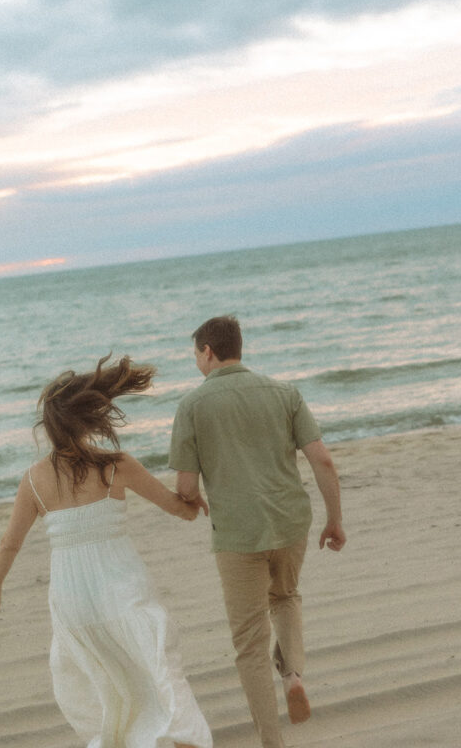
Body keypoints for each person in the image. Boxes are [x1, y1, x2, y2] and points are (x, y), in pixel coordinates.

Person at [0, 353, 213, 748]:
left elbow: (9, 543)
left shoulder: (34, 480)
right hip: (120, 584)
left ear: (50, 428)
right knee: (154, 659)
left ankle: (130, 739)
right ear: (87, 419)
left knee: (101, 676)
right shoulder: (115, 465)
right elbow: (175, 507)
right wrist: (193, 503)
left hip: (72, 598)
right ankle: (178, 734)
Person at [169, 315, 346, 748]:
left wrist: (192, 501)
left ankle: (272, 741)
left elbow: (186, 487)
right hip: (290, 522)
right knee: (284, 597)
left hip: (237, 536)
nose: (196, 361)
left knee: (249, 642)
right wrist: (334, 519)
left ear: (207, 351)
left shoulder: (192, 406)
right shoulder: (284, 392)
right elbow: (322, 460)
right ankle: (293, 676)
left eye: (196, 353)